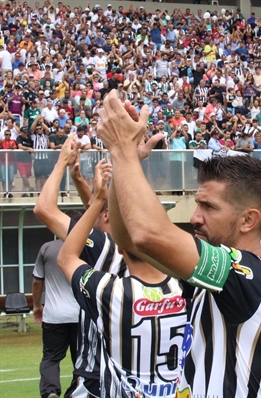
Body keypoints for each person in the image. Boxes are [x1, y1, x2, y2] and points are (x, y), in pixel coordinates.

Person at [97, 91, 261, 397]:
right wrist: (126, 162)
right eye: (197, 203)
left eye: (209, 207)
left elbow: (148, 234)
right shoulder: (212, 278)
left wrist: (121, 151)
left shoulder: (252, 276)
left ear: (248, 220)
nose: (196, 216)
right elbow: (129, 240)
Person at [56, 161, 187, 397]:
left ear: (119, 248)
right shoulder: (188, 289)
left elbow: (66, 257)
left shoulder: (108, 291)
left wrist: (97, 200)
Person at [33, 134, 131, 398]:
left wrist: (61, 163)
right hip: (121, 370)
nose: (88, 211)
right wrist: (78, 178)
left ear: (106, 216)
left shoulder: (102, 245)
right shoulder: (125, 245)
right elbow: (97, 208)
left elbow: (43, 209)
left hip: (95, 376)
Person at [32, 239, 79, 398]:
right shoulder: (88, 246)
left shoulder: (47, 248)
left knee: (51, 358)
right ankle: (76, 392)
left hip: (54, 315)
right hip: (81, 315)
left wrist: (37, 305)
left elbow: (37, 281)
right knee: (81, 359)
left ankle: (50, 391)